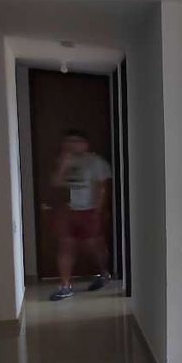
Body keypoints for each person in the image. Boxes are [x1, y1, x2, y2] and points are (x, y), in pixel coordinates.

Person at [49, 129, 112, 301]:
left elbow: (102, 187)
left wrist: (98, 211)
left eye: (76, 141)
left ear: (85, 144)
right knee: (66, 245)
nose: (71, 145)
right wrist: (63, 165)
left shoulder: (95, 162)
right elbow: (56, 182)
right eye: (69, 141)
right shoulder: (65, 161)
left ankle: (104, 273)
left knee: (93, 246)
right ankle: (65, 285)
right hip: (69, 210)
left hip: (90, 210)